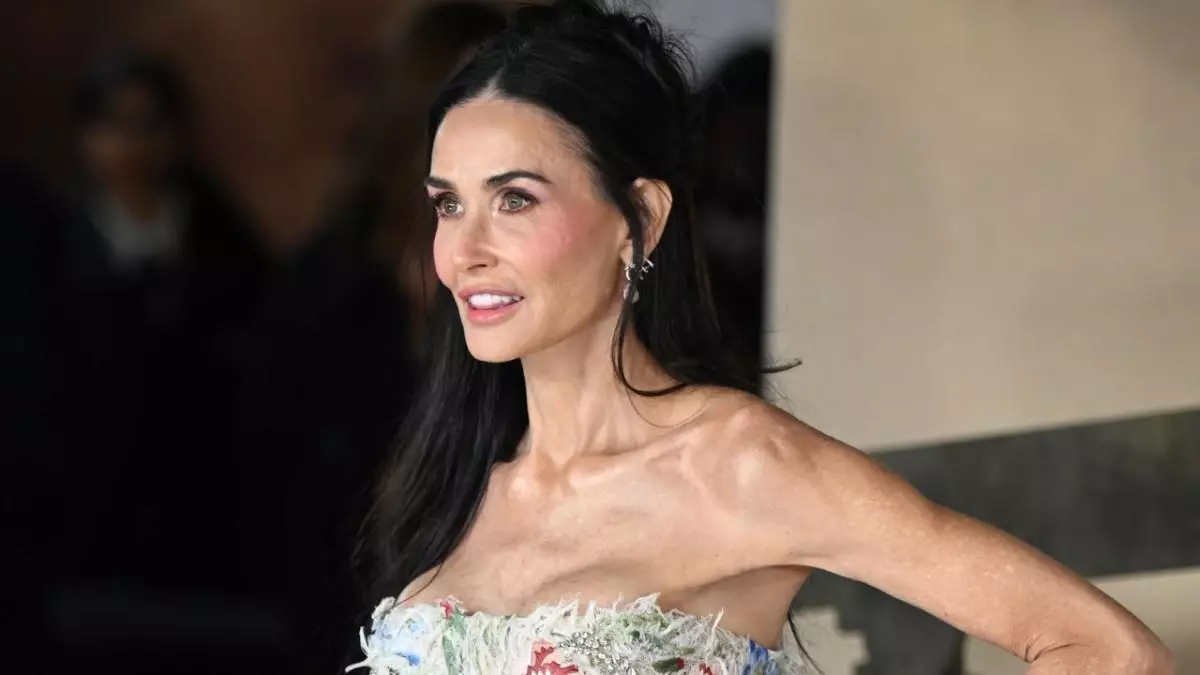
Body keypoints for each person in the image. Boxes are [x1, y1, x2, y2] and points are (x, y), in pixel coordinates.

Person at [350, 2, 1175, 674]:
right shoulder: (460, 482)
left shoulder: (738, 465)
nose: (464, 250)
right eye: (448, 204)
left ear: (640, 218)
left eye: (516, 199)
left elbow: (1110, 651)